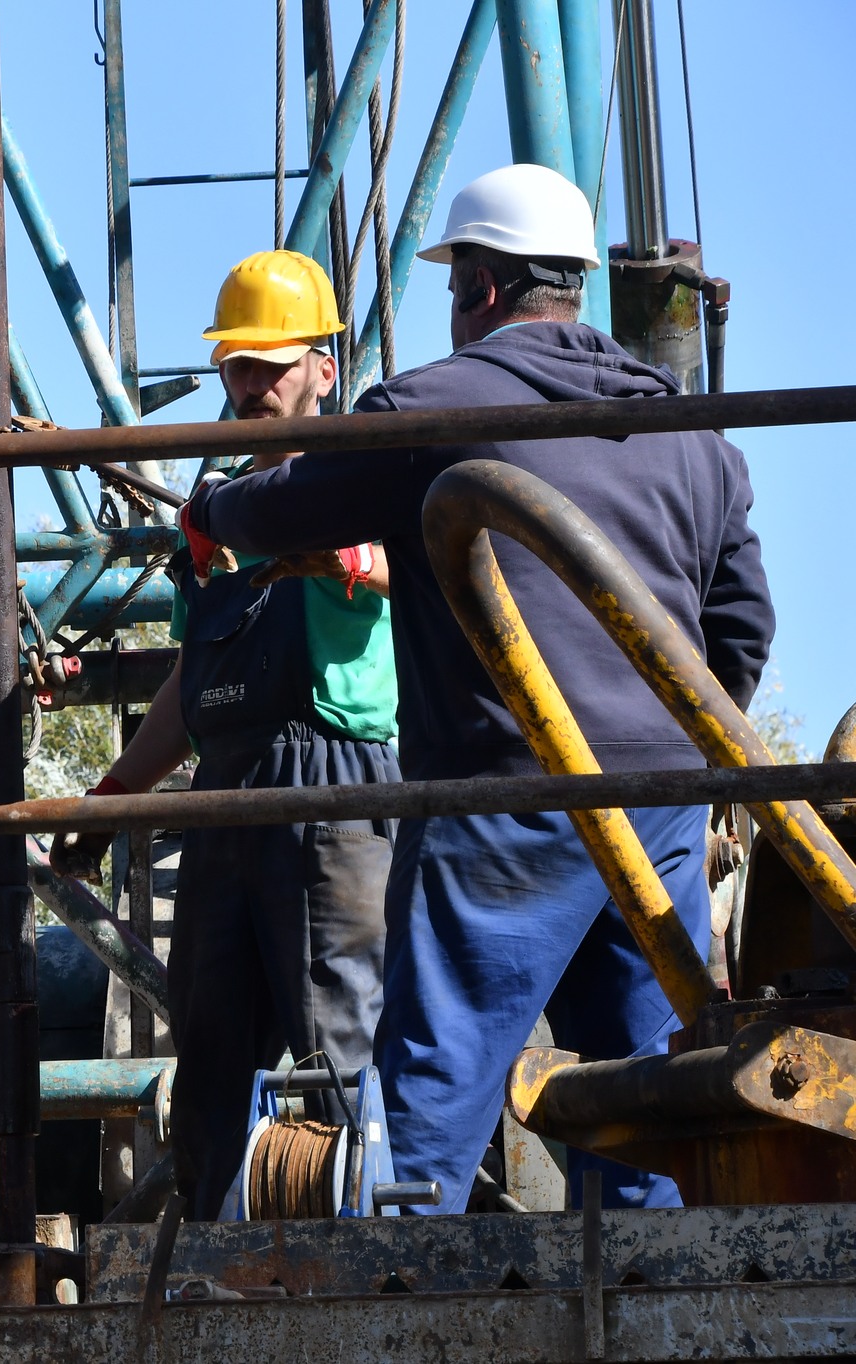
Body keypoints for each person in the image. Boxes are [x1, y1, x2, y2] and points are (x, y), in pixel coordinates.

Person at [177, 164, 774, 1212]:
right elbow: (740, 628)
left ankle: (395, 1287)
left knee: (428, 1097)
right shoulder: (694, 435)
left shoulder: (433, 408)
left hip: (503, 802)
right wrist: (671, 753)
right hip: (662, 811)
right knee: (642, 1097)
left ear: (479, 288)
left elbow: (282, 508)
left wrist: (212, 511)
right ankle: (651, 1287)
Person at [54, 250, 399, 1220]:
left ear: (322, 368)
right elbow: (192, 678)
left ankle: (361, 1258)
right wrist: (111, 797)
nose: (250, 385)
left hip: (331, 789)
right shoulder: (210, 518)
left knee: (338, 1054)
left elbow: (410, 567)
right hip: (223, 791)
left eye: (270, 365)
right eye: (236, 366)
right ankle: (212, 1260)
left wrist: (330, 549)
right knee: (207, 1061)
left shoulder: (364, 477)